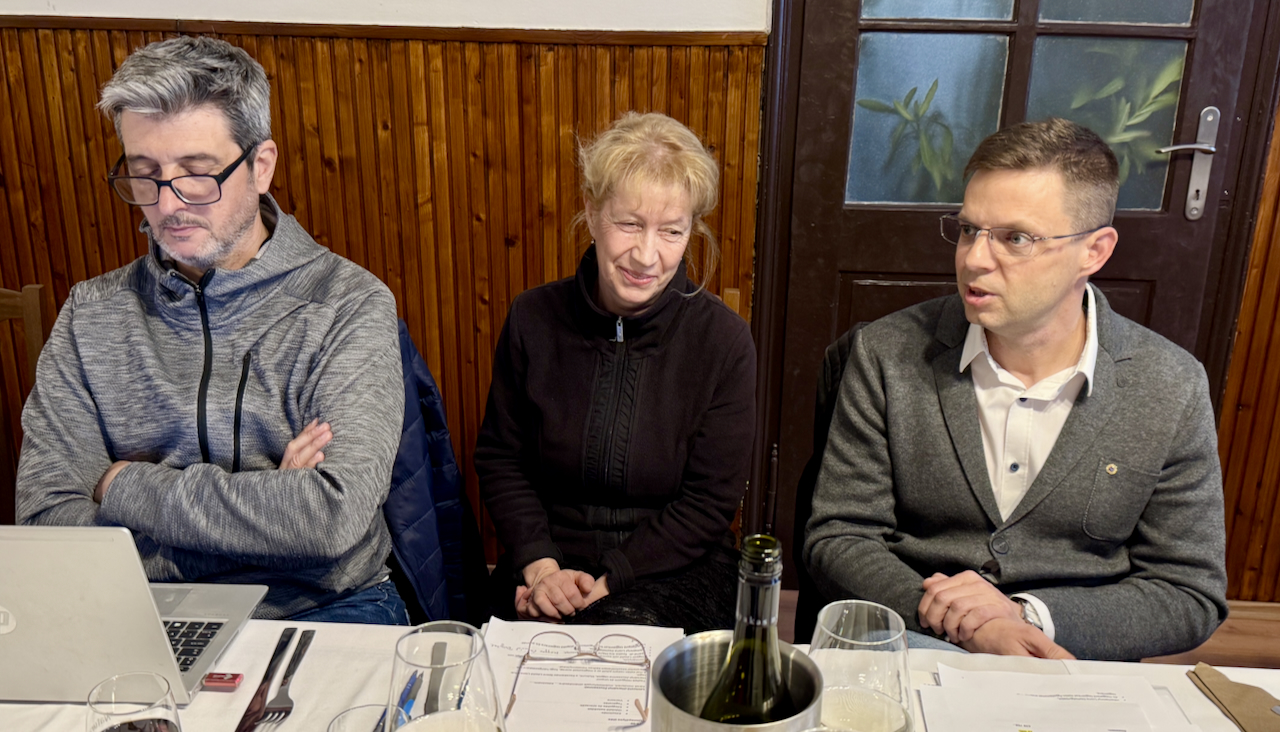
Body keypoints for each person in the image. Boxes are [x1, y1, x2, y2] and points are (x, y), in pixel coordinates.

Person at [16, 36, 408, 624]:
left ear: (261, 166)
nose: (168, 204)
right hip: (138, 604)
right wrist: (267, 513)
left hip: (323, 604)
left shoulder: (347, 303)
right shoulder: (90, 312)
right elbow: (47, 520)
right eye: (145, 174)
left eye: (198, 173)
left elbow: (331, 518)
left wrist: (121, 487)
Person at [804, 118, 1228, 661]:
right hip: (914, 642)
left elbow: (1189, 592)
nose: (974, 259)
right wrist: (968, 625)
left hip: (1070, 659)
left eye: (1016, 238)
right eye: (968, 230)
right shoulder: (886, 353)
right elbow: (840, 536)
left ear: (1094, 252)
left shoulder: (1170, 383)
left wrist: (1027, 617)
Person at [475, 112, 756, 634]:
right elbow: (502, 459)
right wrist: (541, 568)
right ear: (592, 211)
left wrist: (605, 587)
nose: (646, 255)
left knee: (614, 640)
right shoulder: (532, 319)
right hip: (547, 560)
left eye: (671, 231)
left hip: (676, 568)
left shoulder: (724, 342)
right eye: (629, 224)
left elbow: (708, 503)